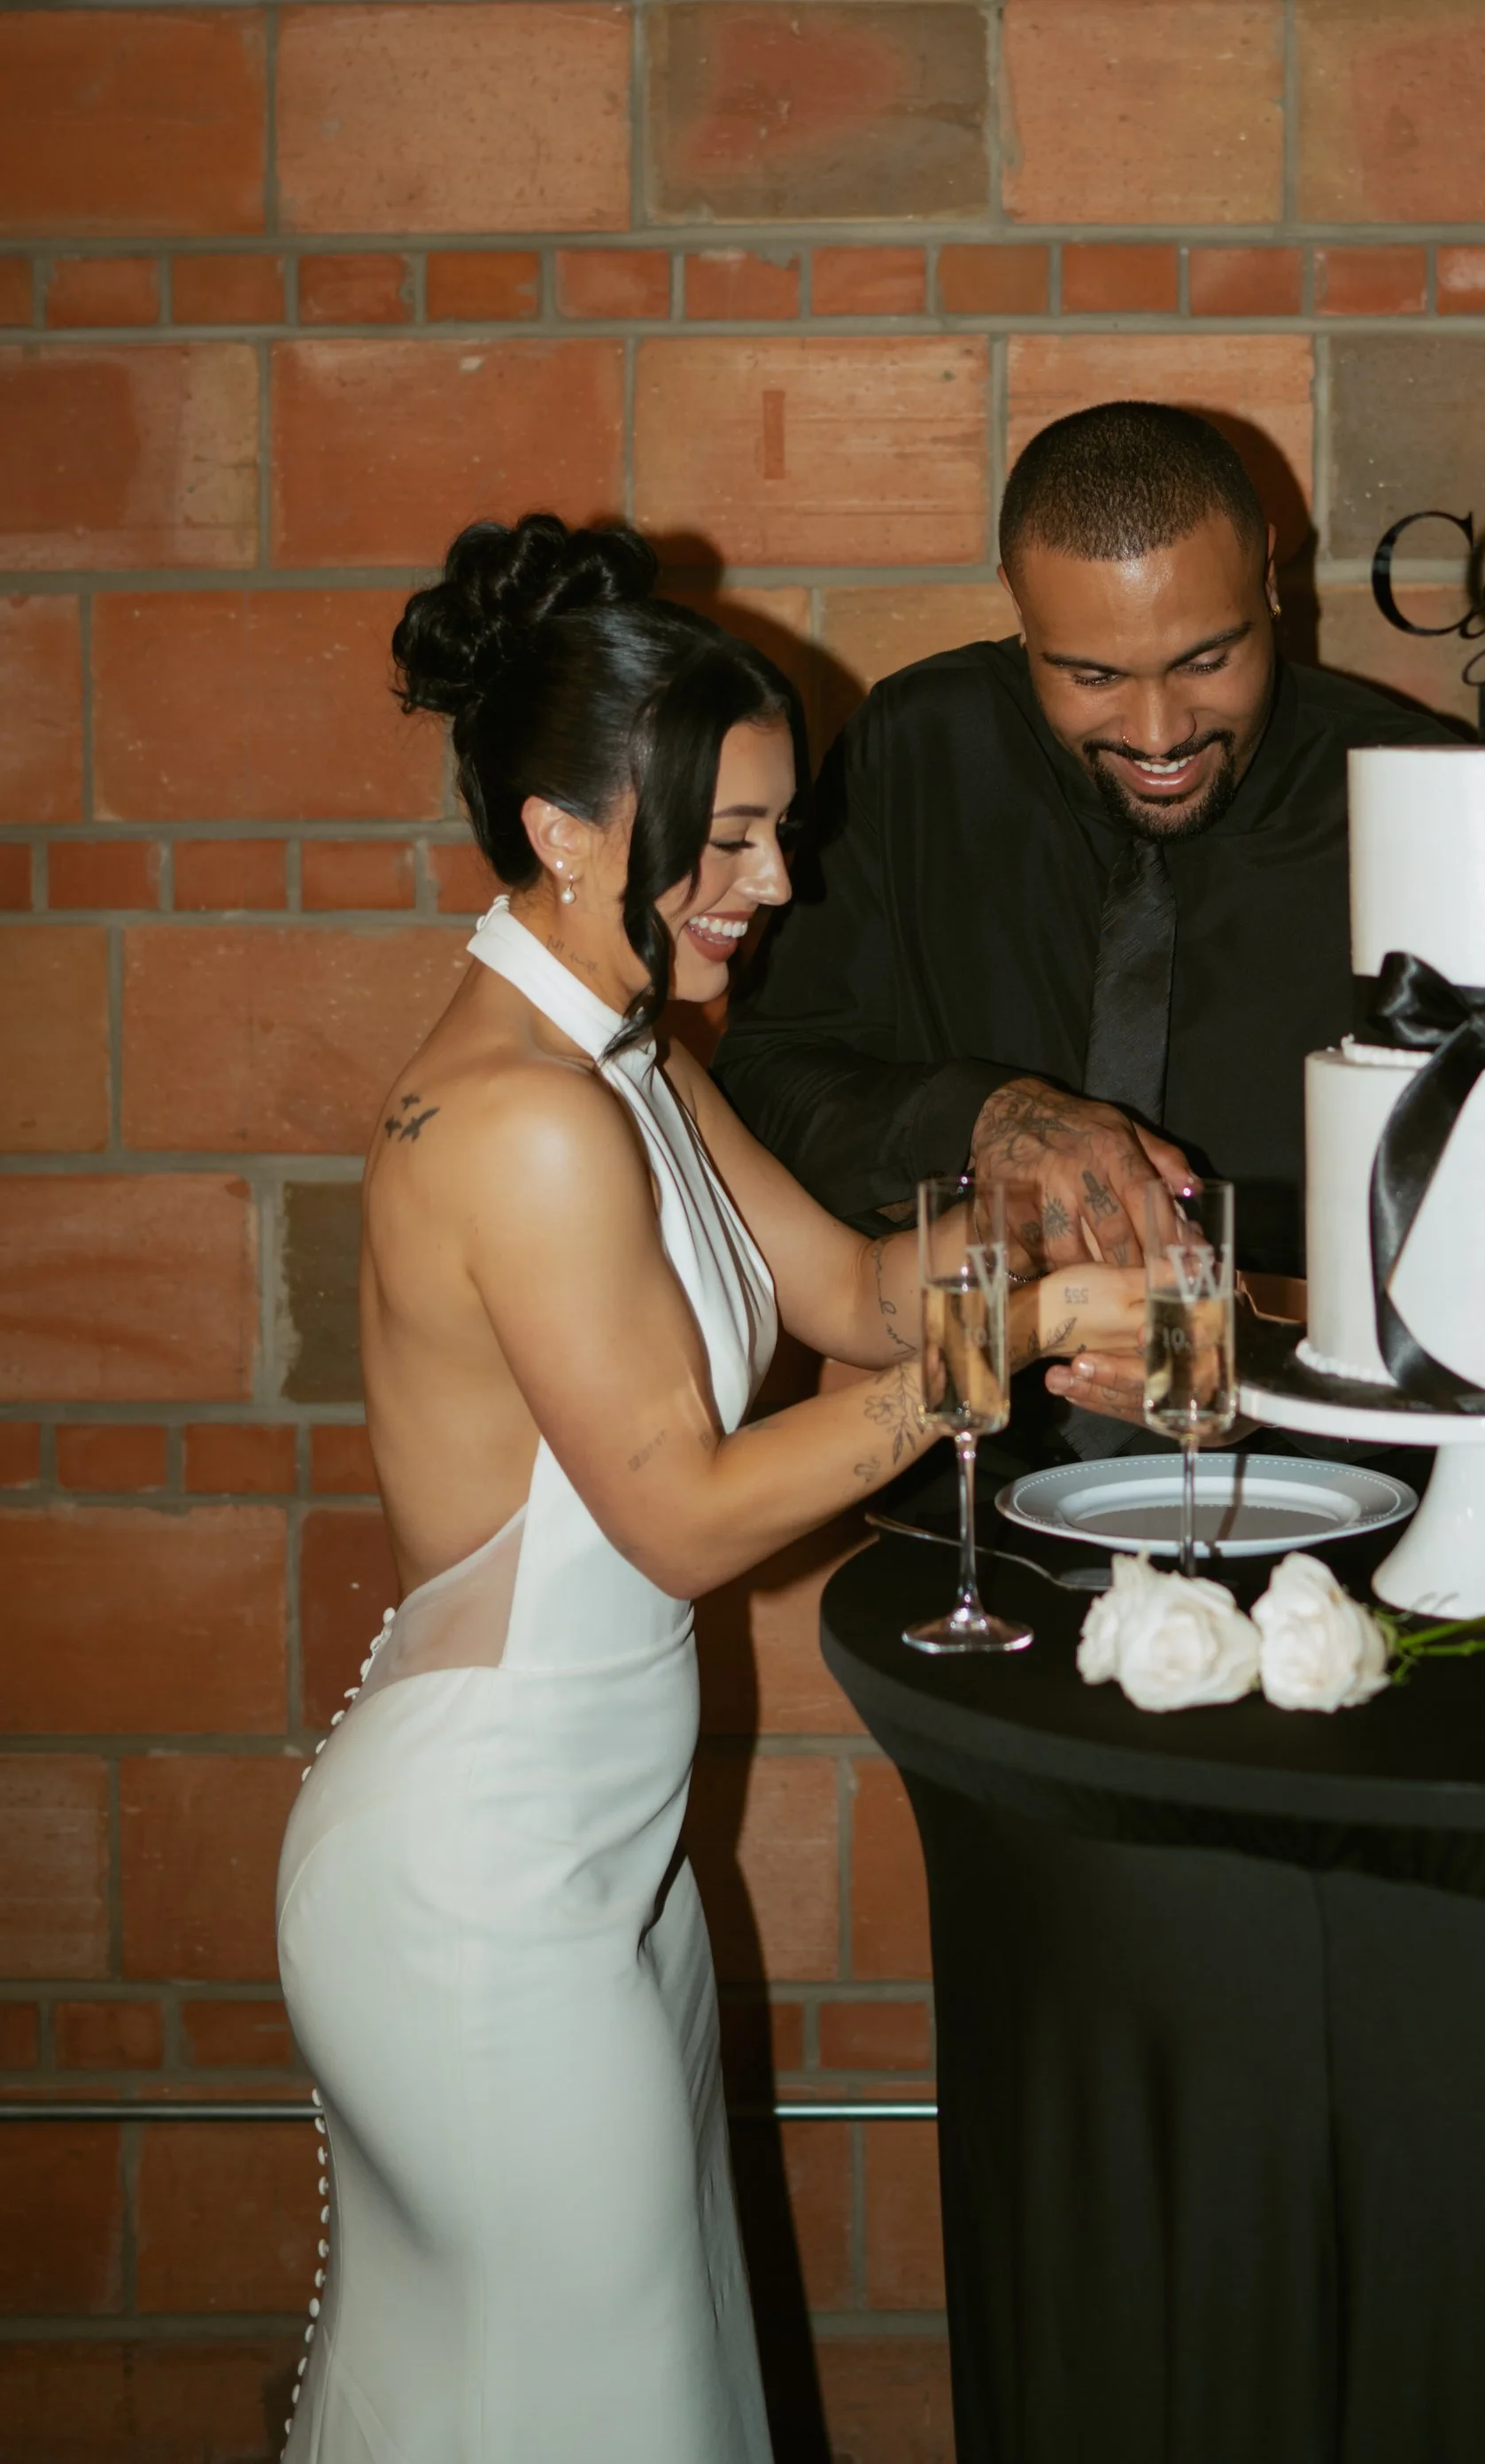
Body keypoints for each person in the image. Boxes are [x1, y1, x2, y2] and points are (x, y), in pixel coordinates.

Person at [275, 515, 1141, 2464]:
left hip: (594, 1866)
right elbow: (676, 1514)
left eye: (776, 828)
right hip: (483, 1892)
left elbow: (840, 1285)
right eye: (727, 835)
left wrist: (1051, 1226)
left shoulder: (621, 1065)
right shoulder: (521, 1123)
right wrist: (988, 1360)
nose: (772, 880)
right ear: (563, 829)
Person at [715, 402, 1455, 1455]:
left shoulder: (1422, 796)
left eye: (1206, 661)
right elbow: (765, 1081)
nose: (1159, 735)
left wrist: (1289, 1378)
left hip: (1330, 1500)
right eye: (1093, 677)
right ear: (1018, 611)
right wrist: (981, 1114)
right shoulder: (916, 750)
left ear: (1273, 580)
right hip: (976, 1502)